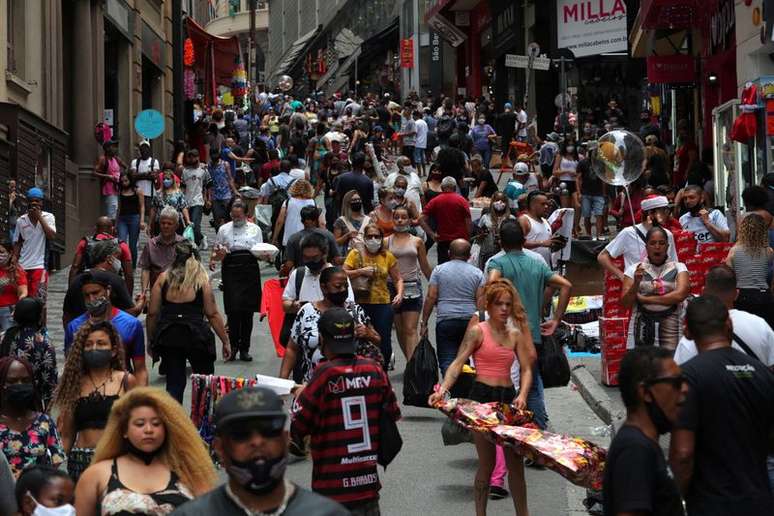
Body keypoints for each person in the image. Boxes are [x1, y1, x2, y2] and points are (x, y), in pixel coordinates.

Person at [429, 279, 535, 516]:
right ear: (489, 305)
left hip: (507, 399)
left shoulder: (515, 334)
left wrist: (523, 395)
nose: (504, 309)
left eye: (508, 304)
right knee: (486, 465)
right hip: (481, 400)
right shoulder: (478, 331)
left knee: (515, 465)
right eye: (499, 304)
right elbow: (458, 363)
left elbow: (527, 368)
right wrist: (443, 389)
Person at [171, 386, 349, 516]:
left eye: (268, 431)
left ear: (286, 439)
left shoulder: (327, 513)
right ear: (219, 448)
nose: (257, 442)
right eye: (241, 434)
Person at [670, 296, 774, 515]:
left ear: (687, 331)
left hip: (712, 503)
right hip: (760, 501)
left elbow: (682, 453)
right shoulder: (763, 373)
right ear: (729, 325)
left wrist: (675, 500)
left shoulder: (688, 378)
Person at [292, 308, 400, 515]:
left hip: (331, 488)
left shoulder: (323, 374)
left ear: (323, 339)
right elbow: (393, 413)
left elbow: (299, 424)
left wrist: (300, 395)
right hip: (368, 485)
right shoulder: (374, 370)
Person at [74, 387, 217, 515]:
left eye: (156, 423)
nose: (149, 430)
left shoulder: (189, 473)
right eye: (140, 424)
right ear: (124, 430)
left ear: (167, 429)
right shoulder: (97, 475)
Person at [487, 220, 572, 430]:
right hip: (531, 335)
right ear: (524, 240)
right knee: (531, 386)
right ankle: (538, 431)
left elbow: (491, 284)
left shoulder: (497, 263)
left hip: (504, 336)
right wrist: (555, 320)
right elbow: (566, 285)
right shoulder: (537, 262)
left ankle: (510, 432)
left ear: (501, 242)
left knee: (506, 386)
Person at [603, 347, 686, 516]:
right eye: (675, 383)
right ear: (645, 393)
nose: (684, 390)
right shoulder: (635, 450)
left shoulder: (643, 444)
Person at [55, 321, 138, 482]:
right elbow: (67, 435)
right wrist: (52, 469)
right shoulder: (75, 385)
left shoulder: (126, 381)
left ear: (113, 350)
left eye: (101, 343)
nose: (94, 348)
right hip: (80, 462)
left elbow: (137, 423)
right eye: (88, 344)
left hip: (116, 460)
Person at [148, 242, 231, 402]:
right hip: (197, 336)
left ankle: (175, 422)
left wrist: (151, 340)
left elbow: (152, 313)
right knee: (204, 384)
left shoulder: (163, 278)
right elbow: (212, 313)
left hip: (170, 335)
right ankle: (202, 422)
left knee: (174, 385)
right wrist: (225, 341)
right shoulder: (201, 278)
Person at [279, 266, 381, 384]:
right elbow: (292, 348)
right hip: (314, 386)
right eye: (337, 287)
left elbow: (378, 340)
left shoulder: (355, 311)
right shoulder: (306, 311)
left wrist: (368, 334)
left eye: (346, 286)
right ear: (324, 287)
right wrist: (282, 382)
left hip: (351, 384)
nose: (343, 290)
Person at [674, 265, 774, 366]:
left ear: (703, 292)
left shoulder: (694, 334)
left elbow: (681, 373)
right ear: (737, 294)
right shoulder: (760, 325)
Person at [64, 272, 148, 386]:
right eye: (86, 296)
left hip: (121, 390)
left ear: (108, 290)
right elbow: (71, 369)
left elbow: (140, 369)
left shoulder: (131, 325)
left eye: (95, 293)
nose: (91, 299)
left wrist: (140, 399)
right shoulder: (74, 327)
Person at [210, 199, 264, 362]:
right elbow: (216, 252)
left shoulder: (255, 229)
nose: (236, 219)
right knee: (233, 311)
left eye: (239, 216)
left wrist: (266, 256)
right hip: (231, 269)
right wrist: (215, 258)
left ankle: (245, 349)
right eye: (234, 216)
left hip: (249, 269)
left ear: (246, 214)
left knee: (247, 312)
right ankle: (233, 346)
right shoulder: (223, 229)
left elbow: (260, 251)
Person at [421, 239, 485, 374]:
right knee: (467, 357)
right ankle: (464, 386)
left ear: (449, 253)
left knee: (446, 359)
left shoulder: (439, 270)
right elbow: (480, 300)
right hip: (470, 321)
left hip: (446, 320)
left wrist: (424, 322)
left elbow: (431, 297)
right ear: (469, 256)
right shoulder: (477, 273)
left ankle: (449, 389)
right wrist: (482, 324)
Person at [344, 223, 403, 368]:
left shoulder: (387, 256)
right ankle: (361, 369)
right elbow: (342, 273)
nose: (373, 239)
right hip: (359, 303)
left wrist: (400, 294)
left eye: (377, 236)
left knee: (384, 340)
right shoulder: (355, 254)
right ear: (364, 238)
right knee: (359, 337)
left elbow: (398, 278)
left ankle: (382, 370)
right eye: (370, 236)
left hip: (382, 303)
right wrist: (361, 271)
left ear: (382, 238)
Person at [621, 226, 689, 350]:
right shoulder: (634, 270)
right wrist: (636, 283)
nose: (657, 247)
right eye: (652, 243)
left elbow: (680, 295)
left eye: (661, 243)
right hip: (641, 335)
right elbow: (625, 303)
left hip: (671, 334)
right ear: (646, 247)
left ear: (667, 246)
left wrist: (646, 299)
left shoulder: (680, 268)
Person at [0, 357, 64, 478]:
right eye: (12, 381)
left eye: (25, 380)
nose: (20, 385)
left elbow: (56, 459)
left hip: (36, 493)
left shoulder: (44, 422)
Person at [598, 195, 679, 280]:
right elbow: (603, 256)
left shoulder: (667, 234)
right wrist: (622, 276)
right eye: (664, 211)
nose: (668, 215)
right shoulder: (628, 233)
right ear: (650, 213)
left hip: (662, 287)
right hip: (635, 287)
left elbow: (674, 262)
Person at [388, 206, 432, 360]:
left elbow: (425, 266)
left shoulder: (417, 241)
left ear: (409, 220)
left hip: (412, 285)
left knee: (410, 329)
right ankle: (411, 360)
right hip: (392, 287)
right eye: (397, 217)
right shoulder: (386, 241)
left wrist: (435, 287)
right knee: (400, 329)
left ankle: (413, 368)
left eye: (403, 217)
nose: (400, 220)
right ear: (392, 219)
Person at [0, 298, 57, 409]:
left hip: (5, 399)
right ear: (38, 316)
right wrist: (47, 409)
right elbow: (49, 381)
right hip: (31, 402)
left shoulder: (4, 336)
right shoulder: (44, 343)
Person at [63, 250, 142, 327]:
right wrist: (140, 304)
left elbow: (66, 316)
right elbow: (131, 314)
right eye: (118, 258)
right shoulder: (115, 280)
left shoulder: (76, 280)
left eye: (95, 293)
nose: (91, 299)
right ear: (109, 259)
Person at [724, 213, 774, 327]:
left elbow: (728, 273)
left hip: (742, 296)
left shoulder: (734, 251)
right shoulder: (769, 251)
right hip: (764, 296)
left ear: (743, 230)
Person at [68, 216, 133, 292]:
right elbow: (129, 274)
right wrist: (128, 297)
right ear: (112, 229)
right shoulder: (122, 245)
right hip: (113, 286)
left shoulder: (84, 243)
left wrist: (71, 291)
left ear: (95, 228)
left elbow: (75, 267)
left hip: (89, 283)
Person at [13, 187, 55, 303]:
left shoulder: (49, 217)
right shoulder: (21, 220)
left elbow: (51, 236)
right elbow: (17, 242)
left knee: (39, 300)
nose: (34, 203)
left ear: (42, 202)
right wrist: (14, 260)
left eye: (37, 201)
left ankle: (39, 321)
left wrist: (39, 217)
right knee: (22, 299)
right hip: (22, 266)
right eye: (32, 200)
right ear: (27, 202)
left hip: (40, 266)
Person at [420, 176, 472, 264]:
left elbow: (421, 219)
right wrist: (468, 238)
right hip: (460, 240)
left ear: (442, 187)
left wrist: (432, 234)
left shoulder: (435, 201)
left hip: (442, 240)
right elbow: (468, 222)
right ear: (455, 188)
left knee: (443, 266)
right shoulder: (462, 201)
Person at [139, 206, 184, 298]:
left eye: (169, 224)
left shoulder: (183, 244)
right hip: (157, 293)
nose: (165, 226)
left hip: (179, 293)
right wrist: (144, 292)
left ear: (176, 226)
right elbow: (146, 269)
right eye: (163, 223)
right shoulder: (151, 245)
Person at [282, 206, 342, 272]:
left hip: (303, 276)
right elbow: (337, 260)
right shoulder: (328, 235)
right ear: (316, 219)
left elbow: (289, 265)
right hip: (325, 276)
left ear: (302, 221)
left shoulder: (293, 239)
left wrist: (283, 272)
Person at [518, 191, 561, 267]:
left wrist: (554, 244)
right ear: (532, 205)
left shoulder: (546, 221)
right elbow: (517, 243)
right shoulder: (524, 220)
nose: (546, 207)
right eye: (543, 204)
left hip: (545, 268)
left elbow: (547, 245)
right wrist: (541, 243)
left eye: (547, 204)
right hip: (528, 268)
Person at [273, 179, 317, 248]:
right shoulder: (312, 202)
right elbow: (321, 222)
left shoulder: (288, 202)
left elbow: (280, 221)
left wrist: (274, 238)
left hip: (289, 238)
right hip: (307, 239)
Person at [576, 142, 607, 238]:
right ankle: (588, 235)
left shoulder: (601, 163)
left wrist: (604, 193)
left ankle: (598, 235)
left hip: (598, 193)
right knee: (587, 215)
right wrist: (579, 192)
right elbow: (578, 178)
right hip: (586, 192)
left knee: (599, 214)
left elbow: (603, 179)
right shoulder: (583, 163)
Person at [180, 149, 210, 248]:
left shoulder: (203, 170)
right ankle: (201, 238)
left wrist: (207, 198)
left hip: (198, 201)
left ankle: (195, 244)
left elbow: (208, 185)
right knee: (189, 225)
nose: (192, 159)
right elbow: (183, 187)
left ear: (198, 157)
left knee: (195, 224)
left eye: (194, 157)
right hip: (187, 201)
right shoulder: (185, 171)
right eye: (190, 157)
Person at [149, 165, 190, 236]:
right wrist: (150, 224)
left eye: (168, 179)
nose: (166, 181)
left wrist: (187, 220)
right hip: (160, 223)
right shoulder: (158, 193)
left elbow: (183, 207)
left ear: (172, 180)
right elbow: (154, 209)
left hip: (175, 223)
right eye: (164, 179)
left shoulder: (178, 193)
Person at [477, 191, 515, 268]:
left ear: (506, 203)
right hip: (487, 252)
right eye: (497, 200)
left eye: (503, 201)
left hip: (505, 254)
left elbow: (515, 237)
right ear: (492, 202)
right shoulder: (485, 217)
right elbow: (478, 237)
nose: (499, 203)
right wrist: (482, 235)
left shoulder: (511, 218)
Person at [115, 173, 145, 267]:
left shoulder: (137, 191)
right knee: (121, 242)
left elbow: (142, 206)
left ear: (130, 180)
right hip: (122, 219)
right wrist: (115, 224)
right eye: (122, 181)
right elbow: (119, 208)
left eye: (126, 181)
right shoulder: (120, 191)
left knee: (132, 245)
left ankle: (133, 266)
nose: (124, 183)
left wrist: (142, 220)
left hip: (134, 218)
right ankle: (123, 264)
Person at [207, 145, 239, 229]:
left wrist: (234, 191)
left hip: (226, 195)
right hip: (215, 196)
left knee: (228, 217)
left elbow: (230, 179)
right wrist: (209, 197)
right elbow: (208, 183)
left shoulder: (225, 164)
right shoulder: (209, 166)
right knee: (217, 219)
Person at [128, 139, 160, 219]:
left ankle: (150, 231)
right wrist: (146, 174)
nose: (144, 150)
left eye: (146, 148)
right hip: (137, 193)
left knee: (150, 215)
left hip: (150, 193)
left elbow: (154, 176)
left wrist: (139, 175)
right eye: (142, 148)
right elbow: (133, 176)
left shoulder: (154, 162)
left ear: (149, 149)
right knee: (138, 214)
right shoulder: (135, 162)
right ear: (140, 149)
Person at [0, 239, 26, 331]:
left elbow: (23, 292)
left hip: (8, 310)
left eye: (1, 252)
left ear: (10, 253)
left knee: (7, 338)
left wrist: (12, 281)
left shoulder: (16, 271)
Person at [94, 140, 124, 219]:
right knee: (112, 209)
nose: (115, 149)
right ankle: (109, 227)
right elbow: (95, 172)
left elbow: (126, 166)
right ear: (107, 148)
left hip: (117, 187)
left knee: (116, 209)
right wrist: (107, 176)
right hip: (109, 188)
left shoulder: (116, 159)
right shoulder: (103, 159)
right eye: (113, 147)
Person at [333, 190, 366, 258]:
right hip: (347, 257)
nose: (357, 201)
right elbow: (335, 242)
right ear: (347, 203)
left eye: (359, 199)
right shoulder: (341, 221)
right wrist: (347, 236)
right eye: (354, 200)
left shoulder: (368, 220)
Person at [413, 110, 428, 176]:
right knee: (423, 158)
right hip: (424, 143)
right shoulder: (424, 123)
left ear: (416, 116)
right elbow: (426, 131)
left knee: (417, 158)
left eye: (413, 115)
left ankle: (419, 173)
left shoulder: (416, 123)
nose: (413, 117)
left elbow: (415, 133)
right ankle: (424, 172)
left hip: (417, 143)